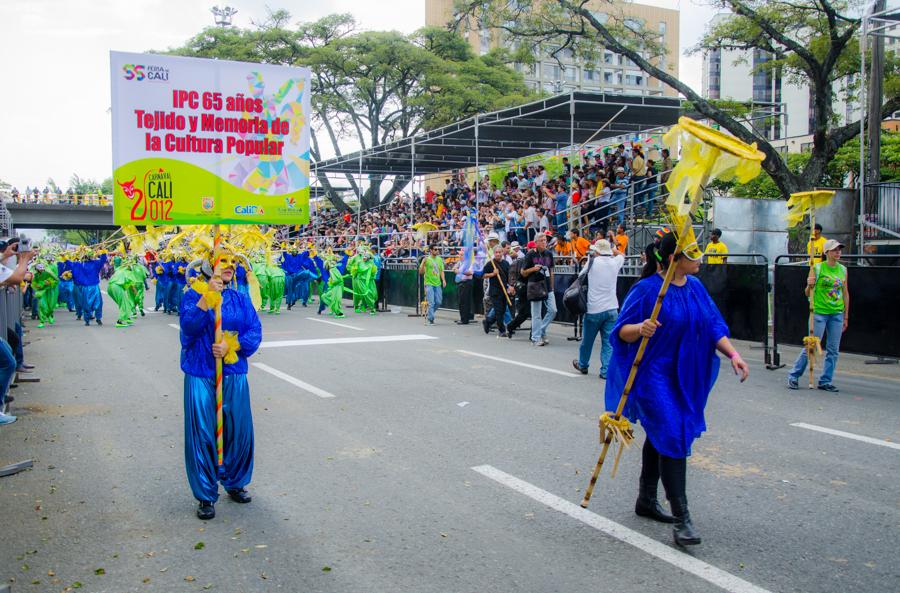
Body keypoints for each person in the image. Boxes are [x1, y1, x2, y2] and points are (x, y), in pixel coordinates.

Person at [604, 231, 749, 546]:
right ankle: (683, 518)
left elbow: (712, 325)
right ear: (674, 259)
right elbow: (621, 332)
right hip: (652, 374)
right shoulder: (646, 291)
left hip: (683, 374)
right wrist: (639, 328)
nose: (699, 259)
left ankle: (645, 499)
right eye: (692, 254)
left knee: (663, 434)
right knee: (672, 432)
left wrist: (734, 354)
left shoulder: (695, 287)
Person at [180, 250, 262, 520]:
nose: (230, 267)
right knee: (203, 433)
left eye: (233, 262)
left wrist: (232, 345)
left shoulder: (240, 298)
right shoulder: (192, 296)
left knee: (238, 430)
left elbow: (254, 330)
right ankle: (205, 494)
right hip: (201, 373)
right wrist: (206, 300)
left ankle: (235, 482)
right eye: (223, 262)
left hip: (234, 373)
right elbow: (188, 330)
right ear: (208, 266)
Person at [787, 239, 849, 392]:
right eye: (834, 250)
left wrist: (846, 316)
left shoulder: (843, 270)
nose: (838, 252)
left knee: (833, 349)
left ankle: (826, 380)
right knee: (812, 345)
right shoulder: (817, 268)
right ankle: (794, 375)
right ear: (826, 252)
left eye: (839, 249)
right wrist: (809, 284)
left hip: (836, 313)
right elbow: (807, 293)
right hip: (819, 312)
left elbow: (845, 293)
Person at [572, 240, 623, 379]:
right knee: (608, 342)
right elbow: (621, 255)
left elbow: (580, 276)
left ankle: (583, 364)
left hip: (594, 308)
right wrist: (614, 249)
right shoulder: (615, 262)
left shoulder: (592, 261)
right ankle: (606, 370)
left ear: (597, 251)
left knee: (587, 341)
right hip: (612, 307)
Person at [521, 232, 557, 346]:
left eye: (545, 240)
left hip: (547, 286)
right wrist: (533, 269)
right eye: (541, 240)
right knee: (536, 314)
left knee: (553, 310)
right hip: (535, 285)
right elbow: (523, 272)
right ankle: (535, 338)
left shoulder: (549, 254)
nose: (544, 242)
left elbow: (551, 271)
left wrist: (552, 286)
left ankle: (541, 330)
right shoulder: (530, 255)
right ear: (536, 243)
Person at [481, 249, 511, 337]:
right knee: (498, 311)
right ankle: (501, 330)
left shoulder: (506, 263)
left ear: (502, 253)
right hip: (495, 291)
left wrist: (510, 287)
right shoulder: (490, 264)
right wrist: (492, 274)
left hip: (504, 290)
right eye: (496, 252)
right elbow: (482, 275)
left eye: (499, 252)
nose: (498, 254)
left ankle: (488, 321)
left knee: (502, 310)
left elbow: (509, 276)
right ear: (494, 253)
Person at [419, 244, 445, 325]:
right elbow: (421, 272)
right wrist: (423, 263)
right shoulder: (426, 259)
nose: (437, 250)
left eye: (437, 249)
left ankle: (430, 313)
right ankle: (431, 319)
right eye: (435, 249)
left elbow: (441, 271)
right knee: (432, 302)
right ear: (431, 250)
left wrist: (443, 280)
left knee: (438, 302)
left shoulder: (440, 259)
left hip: (437, 283)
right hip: (428, 283)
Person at [453, 249, 474, 325]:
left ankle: (465, 319)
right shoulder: (460, 262)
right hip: (461, 283)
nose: (460, 256)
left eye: (462, 255)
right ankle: (463, 318)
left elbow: (470, 273)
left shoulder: (469, 263)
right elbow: (454, 269)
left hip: (466, 283)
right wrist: (457, 270)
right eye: (460, 254)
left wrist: (460, 271)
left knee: (465, 302)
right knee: (461, 302)